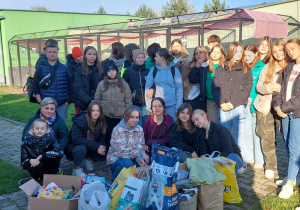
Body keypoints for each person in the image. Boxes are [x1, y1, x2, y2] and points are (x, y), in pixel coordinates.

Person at [212, 42, 252, 165]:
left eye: (241, 52)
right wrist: (221, 103)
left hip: (238, 107)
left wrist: (232, 104)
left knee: (239, 136)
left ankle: (240, 162)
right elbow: (215, 87)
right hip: (223, 107)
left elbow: (246, 89)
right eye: (236, 51)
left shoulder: (246, 69)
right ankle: (226, 160)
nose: (238, 54)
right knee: (224, 135)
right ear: (230, 52)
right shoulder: (220, 68)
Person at [254, 40, 288, 179]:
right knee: (267, 137)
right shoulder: (267, 67)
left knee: (288, 137)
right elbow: (259, 87)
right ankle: (271, 166)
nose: (278, 54)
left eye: (280, 50)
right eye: (275, 52)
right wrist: (269, 88)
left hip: (284, 107)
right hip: (265, 106)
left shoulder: (292, 67)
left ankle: (293, 167)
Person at [272, 38, 300, 199]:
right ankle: (295, 175)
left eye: (293, 48)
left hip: (296, 113)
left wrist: (283, 108)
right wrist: (277, 106)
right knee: (288, 145)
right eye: (288, 49)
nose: (290, 51)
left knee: (295, 147)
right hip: (284, 113)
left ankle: (290, 183)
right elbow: (278, 90)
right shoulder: (289, 68)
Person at [192, 109, 246, 174]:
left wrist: (213, 159)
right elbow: (203, 150)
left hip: (231, 158)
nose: (196, 123)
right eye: (194, 121)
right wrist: (204, 157)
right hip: (215, 160)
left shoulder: (220, 129)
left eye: (197, 119)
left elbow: (228, 150)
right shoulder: (200, 133)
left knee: (232, 156)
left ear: (204, 116)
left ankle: (230, 179)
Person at [94, 60, 132, 147]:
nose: (111, 73)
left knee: (120, 136)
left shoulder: (124, 84)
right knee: (106, 135)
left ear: (116, 71)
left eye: (113, 71)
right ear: (106, 73)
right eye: (109, 71)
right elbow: (97, 99)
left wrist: (127, 114)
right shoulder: (101, 84)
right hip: (106, 115)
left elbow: (128, 100)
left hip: (120, 116)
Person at [32, 44, 74, 122]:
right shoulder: (41, 68)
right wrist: (40, 101)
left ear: (57, 53)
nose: (52, 54)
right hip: (46, 104)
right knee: (46, 126)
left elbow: (70, 85)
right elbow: (35, 85)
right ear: (46, 53)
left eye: (54, 52)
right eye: (50, 52)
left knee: (61, 127)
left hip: (62, 104)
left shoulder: (64, 68)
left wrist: (69, 101)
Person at [65, 101, 107, 176]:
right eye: (93, 110)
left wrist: (102, 148)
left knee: (104, 151)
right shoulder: (80, 121)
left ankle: (88, 158)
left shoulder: (101, 122)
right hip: (74, 147)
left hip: (89, 145)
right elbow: (77, 139)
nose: (95, 113)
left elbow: (101, 138)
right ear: (89, 111)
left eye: (98, 111)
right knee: (82, 148)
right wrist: (97, 146)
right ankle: (76, 169)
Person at [107, 107, 148, 180]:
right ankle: (115, 176)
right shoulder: (117, 130)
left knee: (141, 166)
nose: (135, 120)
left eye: (137, 117)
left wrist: (139, 159)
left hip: (132, 157)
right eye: (132, 117)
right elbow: (121, 152)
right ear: (126, 117)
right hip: (117, 159)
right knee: (128, 164)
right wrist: (140, 153)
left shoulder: (139, 129)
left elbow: (140, 147)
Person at [145, 48, 183, 121]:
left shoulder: (174, 70)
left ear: (162, 58)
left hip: (172, 107)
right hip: (158, 107)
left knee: (172, 128)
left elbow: (179, 90)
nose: (154, 58)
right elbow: (148, 88)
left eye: (156, 56)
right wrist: (149, 107)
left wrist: (178, 108)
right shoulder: (153, 71)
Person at [243, 44, 265, 167]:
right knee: (246, 132)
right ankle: (249, 156)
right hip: (244, 102)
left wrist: (255, 106)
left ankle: (260, 159)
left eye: (249, 55)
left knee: (256, 132)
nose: (246, 58)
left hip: (256, 102)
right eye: (245, 55)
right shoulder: (244, 67)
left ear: (256, 54)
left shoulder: (262, 67)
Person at [123, 49, 150, 126]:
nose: (141, 59)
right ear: (135, 59)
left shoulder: (148, 71)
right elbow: (124, 86)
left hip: (146, 103)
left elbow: (153, 85)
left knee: (146, 124)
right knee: (137, 124)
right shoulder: (128, 72)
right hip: (134, 103)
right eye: (138, 57)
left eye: (142, 57)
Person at [74, 46, 104, 112]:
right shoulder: (79, 70)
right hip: (84, 103)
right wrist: (89, 100)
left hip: (99, 101)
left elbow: (104, 86)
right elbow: (78, 88)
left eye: (94, 54)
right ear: (85, 55)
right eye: (89, 54)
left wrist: (98, 100)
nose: (92, 56)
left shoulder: (101, 69)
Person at [180, 46, 208, 110]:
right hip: (191, 97)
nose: (198, 55)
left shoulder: (209, 65)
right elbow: (192, 79)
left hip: (205, 98)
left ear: (205, 54)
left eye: (200, 52)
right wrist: (196, 67)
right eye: (196, 53)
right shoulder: (192, 65)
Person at [205, 44, 225, 122]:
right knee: (212, 123)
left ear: (221, 55)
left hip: (222, 100)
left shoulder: (224, 66)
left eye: (218, 52)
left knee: (223, 124)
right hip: (210, 100)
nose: (215, 54)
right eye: (213, 52)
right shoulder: (205, 65)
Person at [66, 47, 83, 114]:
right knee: (78, 108)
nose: (81, 57)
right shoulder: (69, 66)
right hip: (75, 90)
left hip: (81, 88)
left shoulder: (81, 64)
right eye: (79, 56)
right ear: (75, 57)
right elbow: (70, 78)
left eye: (82, 55)